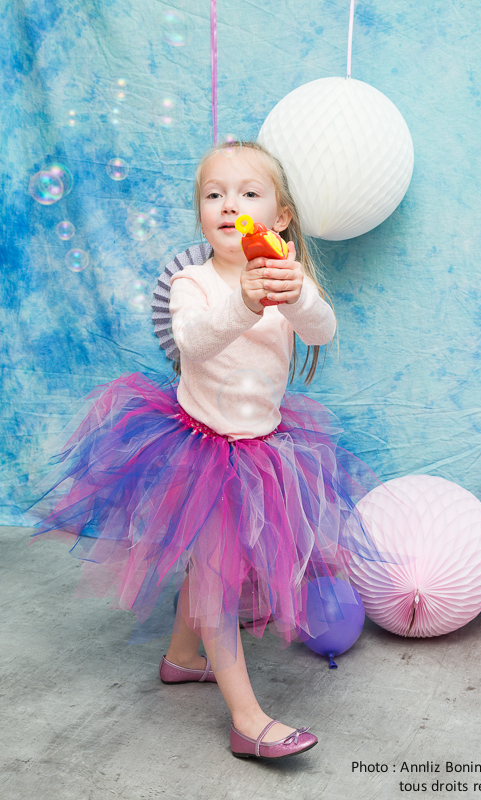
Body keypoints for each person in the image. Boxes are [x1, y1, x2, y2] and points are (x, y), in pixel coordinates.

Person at [28, 140, 387, 760]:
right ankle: (247, 719)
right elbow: (191, 342)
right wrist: (244, 300)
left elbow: (322, 330)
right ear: (200, 212)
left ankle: (180, 656)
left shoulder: (283, 270)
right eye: (214, 194)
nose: (229, 205)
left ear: (280, 217)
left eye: (249, 193)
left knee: (212, 562)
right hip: (199, 448)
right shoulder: (192, 280)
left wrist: (296, 293)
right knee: (218, 578)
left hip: (263, 448)